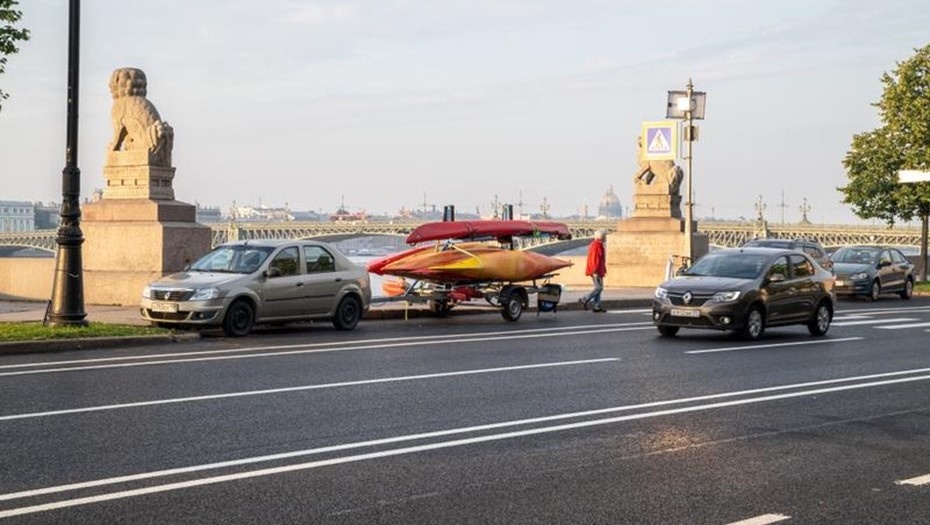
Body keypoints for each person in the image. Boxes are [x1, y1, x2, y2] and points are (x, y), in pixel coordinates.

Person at [580, 229, 607, 313]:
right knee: (599, 288)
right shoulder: (596, 245)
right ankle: (585, 299)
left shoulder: (598, 244)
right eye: (605, 236)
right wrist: (595, 271)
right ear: (601, 237)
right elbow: (594, 259)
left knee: (599, 288)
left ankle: (597, 306)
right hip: (596, 270)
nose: (606, 237)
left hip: (599, 270)